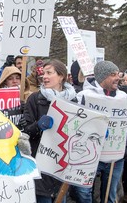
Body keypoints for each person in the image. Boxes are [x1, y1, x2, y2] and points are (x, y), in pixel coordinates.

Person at [71, 61, 127, 203]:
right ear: (102, 77)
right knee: (84, 191)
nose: (118, 77)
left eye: (118, 74)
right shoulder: (84, 96)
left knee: (110, 195)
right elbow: (74, 122)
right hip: (90, 154)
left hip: (115, 156)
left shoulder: (122, 97)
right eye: (113, 74)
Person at [22, 59, 76, 203]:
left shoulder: (74, 101)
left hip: (62, 165)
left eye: (49, 73)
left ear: (61, 76)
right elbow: (25, 131)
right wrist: (38, 126)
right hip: (41, 164)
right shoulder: (35, 99)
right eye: (43, 73)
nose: (44, 76)